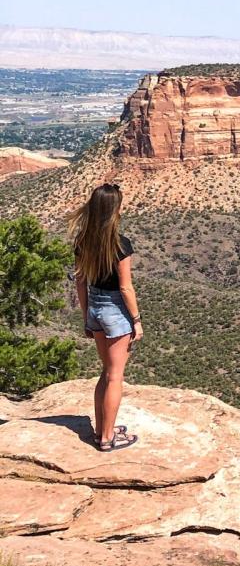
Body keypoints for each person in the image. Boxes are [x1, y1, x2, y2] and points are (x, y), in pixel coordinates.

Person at [68, 183, 144, 451]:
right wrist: (136, 320)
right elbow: (125, 287)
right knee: (115, 376)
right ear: (115, 210)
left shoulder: (82, 241)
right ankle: (107, 438)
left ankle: (102, 429)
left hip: (95, 307)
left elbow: (80, 282)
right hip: (115, 312)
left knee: (106, 372)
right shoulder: (120, 245)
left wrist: (87, 315)